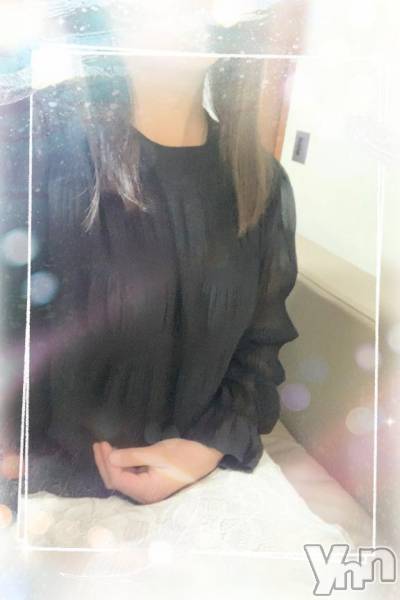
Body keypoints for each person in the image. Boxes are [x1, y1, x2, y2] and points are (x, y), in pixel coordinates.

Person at [0, 1, 299, 508]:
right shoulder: (32, 136)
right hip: (38, 494)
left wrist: (203, 450)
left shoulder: (262, 183)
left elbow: (260, 350)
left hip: (194, 492)